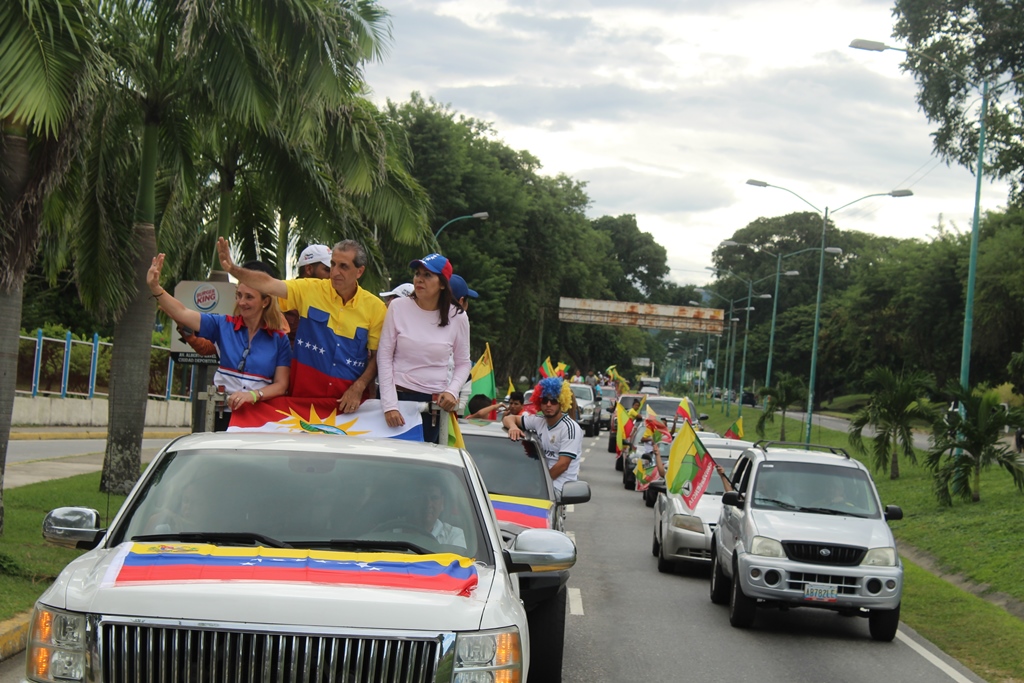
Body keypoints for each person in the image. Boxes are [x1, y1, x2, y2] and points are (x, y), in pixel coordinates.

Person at [216, 236, 385, 412]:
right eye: (333, 264)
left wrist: (359, 388)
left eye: (343, 267)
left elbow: (377, 357)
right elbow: (268, 284)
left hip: (348, 407)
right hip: (303, 404)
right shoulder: (309, 289)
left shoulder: (375, 308)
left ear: (359, 271)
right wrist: (234, 270)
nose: (335, 272)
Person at [147, 254, 291, 431]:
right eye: (239, 295)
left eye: (249, 297)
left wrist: (253, 395)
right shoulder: (223, 324)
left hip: (260, 419)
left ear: (265, 301)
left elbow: (281, 385)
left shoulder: (279, 338)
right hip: (222, 414)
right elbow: (183, 312)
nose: (242, 302)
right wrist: (155, 287)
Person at [377, 253, 471, 443]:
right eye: (417, 273)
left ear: (443, 284)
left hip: (433, 406)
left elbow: (463, 363)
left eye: (428, 275)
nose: (419, 279)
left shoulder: (458, 317)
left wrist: (452, 391)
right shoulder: (397, 307)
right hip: (396, 397)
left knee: (422, 467)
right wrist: (389, 405)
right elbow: (384, 356)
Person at [503, 377, 582, 492]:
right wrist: (513, 427)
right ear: (539, 402)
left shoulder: (570, 428)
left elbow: (563, 465)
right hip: (540, 482)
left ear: (561, 402)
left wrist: (541, 485)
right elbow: (508, 418)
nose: (548, 404)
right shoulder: (538, 421)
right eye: (544, 400)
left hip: (559, 487)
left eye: (553, 400)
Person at [284, 245, 332, 347]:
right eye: (327, 270)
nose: (332, 276)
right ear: (309, 269)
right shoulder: (287, 296)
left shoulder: (335, 298)